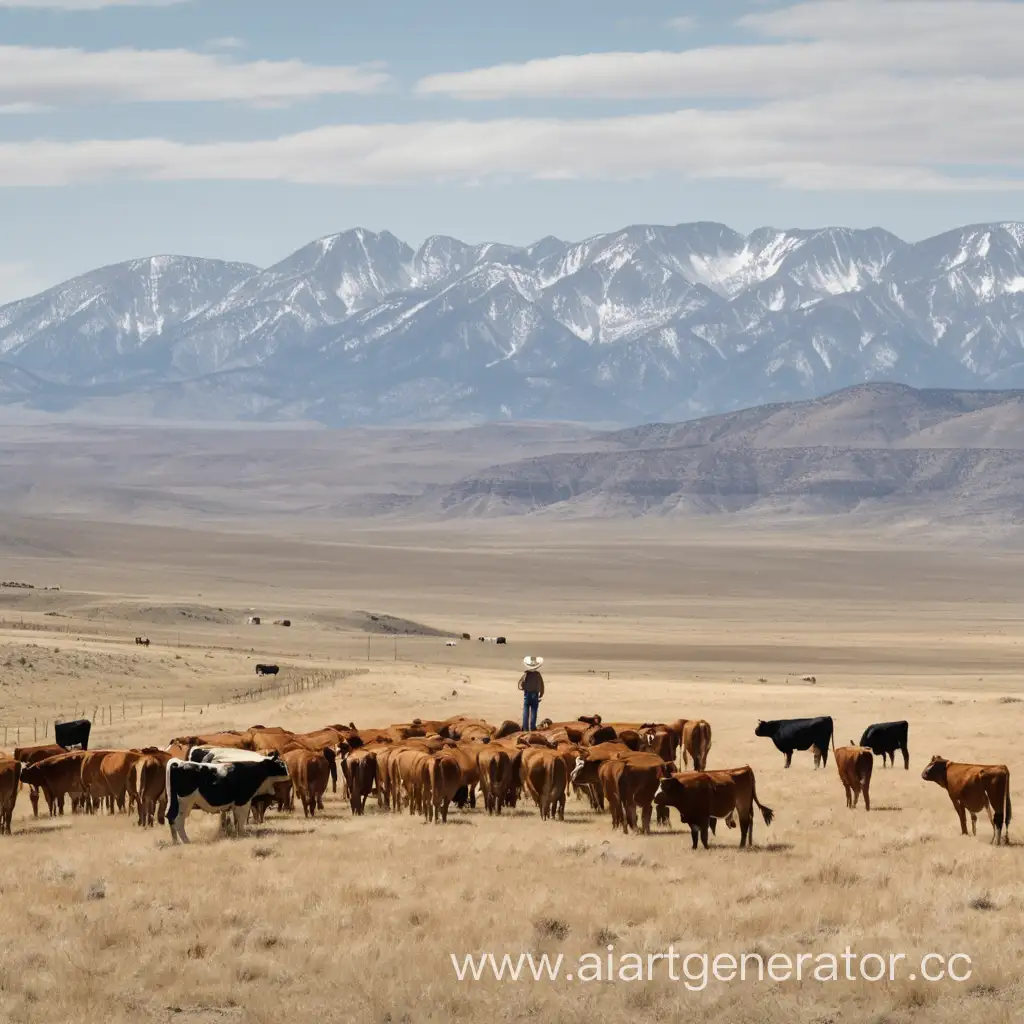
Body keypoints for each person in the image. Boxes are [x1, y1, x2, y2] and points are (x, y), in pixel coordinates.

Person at [519, 655, 545, 731]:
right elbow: (541, 684)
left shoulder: (526, 674)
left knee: (526, 711)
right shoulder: (537, 674)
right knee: (534, 711)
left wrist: (525, 688)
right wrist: (541, 693)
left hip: (527, 694)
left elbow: (521, 685)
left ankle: (525, 727)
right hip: (535, 694)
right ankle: (533, 727)